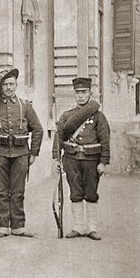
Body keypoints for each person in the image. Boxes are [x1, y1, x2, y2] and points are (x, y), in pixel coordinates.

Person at [0, 68, 43, 238]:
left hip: (21, 153)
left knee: (18, 191)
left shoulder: (25, 106)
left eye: (11, 84)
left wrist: (34, 152)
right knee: (1, 191)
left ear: (16, 85)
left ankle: (18, 226)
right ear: (1, 87)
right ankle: (3, 226)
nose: (8, 88)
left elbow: (38, 129)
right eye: (5, 84)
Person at [53, 77, 110, 241]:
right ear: (74, 94)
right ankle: (78, 227)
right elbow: (59, 138)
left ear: (90, 93)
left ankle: (92, 228)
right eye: (77, 92)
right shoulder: (66, 116)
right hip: (71, 160)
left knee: (91, 193)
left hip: (91, 161)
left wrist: (103, 162)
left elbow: (105, 140)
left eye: (84, 92)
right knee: (75, 193)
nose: (80, 96)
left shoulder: (98, 117)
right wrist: (57, 159)